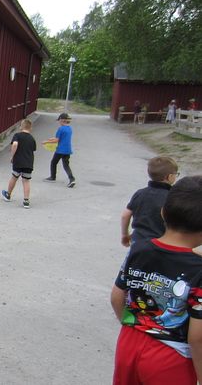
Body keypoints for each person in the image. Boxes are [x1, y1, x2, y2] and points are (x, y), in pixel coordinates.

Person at [111, 175, 202, 385]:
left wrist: (134, 324)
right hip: (171, 357)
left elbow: (117, 297)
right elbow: (197, 337)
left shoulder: (140, 249)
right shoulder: (198, 270)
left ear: (162, 212)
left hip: (129, 343)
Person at [120, 156, 179, 248]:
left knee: (132, 261)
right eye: (176, 174)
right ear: (170, 177)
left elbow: (125, 215)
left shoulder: (140, 193)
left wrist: (124, 235)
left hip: (138, 241)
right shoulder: (172, 197)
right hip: (161, 244)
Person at [1, 119, 37, 209]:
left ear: (21, 126)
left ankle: (8, 194)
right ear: (30, 128)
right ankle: (26, 201)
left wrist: (12, 156)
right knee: (26, 180)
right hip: (28, 162)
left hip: (18, 161)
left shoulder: (17, 135)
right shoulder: (32, 138)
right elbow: (33, 149)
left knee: (14, 177)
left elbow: (15, 144)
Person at [43, 113, 76, 188]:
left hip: (60, 149)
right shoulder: (69, 128)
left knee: (53, 162)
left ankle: (52, 177)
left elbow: (56, 140)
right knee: (66, 165)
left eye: (59, 120)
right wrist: (50, 139)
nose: (59, 122)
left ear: (62, 120)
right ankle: (72, 179)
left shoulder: (61, 129)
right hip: (67, 150)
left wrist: (46, 142)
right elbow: (60, 138)